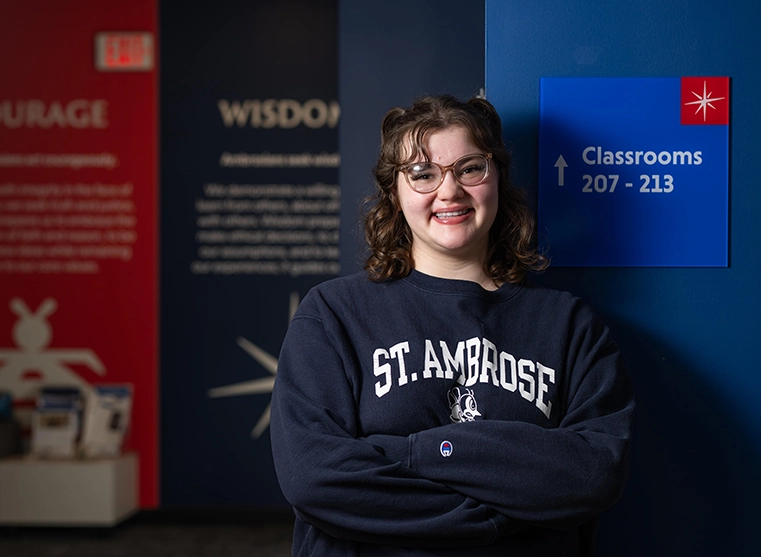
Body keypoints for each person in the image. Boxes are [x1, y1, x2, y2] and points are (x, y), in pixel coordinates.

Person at [270, 94, 635, 556]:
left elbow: (593, 473)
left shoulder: (569, 325)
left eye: (470, 168)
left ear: (497, 176)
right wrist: (499, 508)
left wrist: (408, 452)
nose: (449, 191)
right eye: (423, 175)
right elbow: (312, 478)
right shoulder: (333, 314)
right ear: (394, 193)